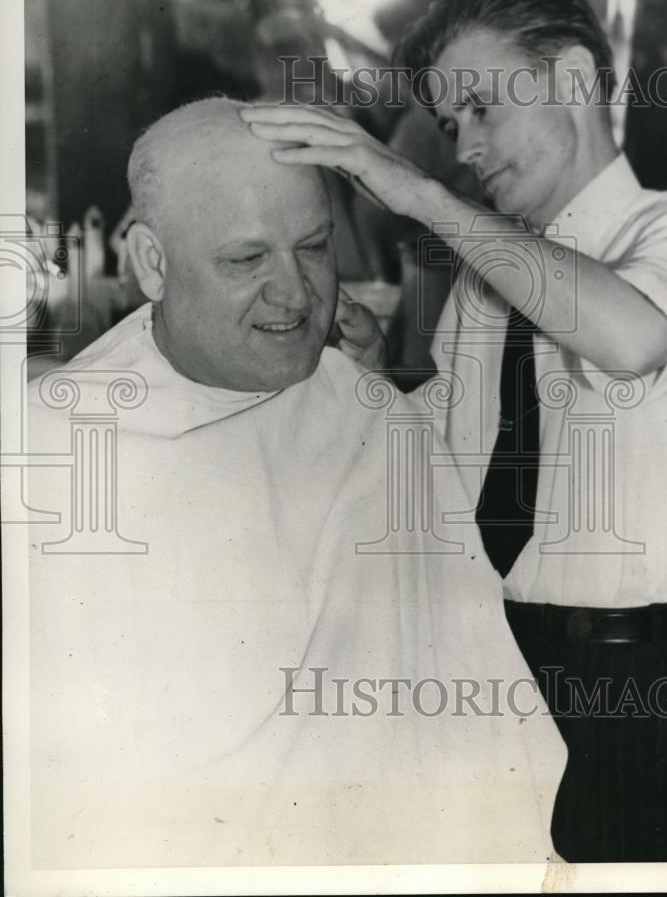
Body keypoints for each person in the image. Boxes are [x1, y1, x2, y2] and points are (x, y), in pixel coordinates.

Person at [240, 0, 667, 862]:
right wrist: (365, 373)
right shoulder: (487, 282)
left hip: (629, 703)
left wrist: (416, 191)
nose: (463, 146)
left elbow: (633, 340)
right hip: (490, 674)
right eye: (446, 124)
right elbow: (453, 457)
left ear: (576, 79)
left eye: (481, 106)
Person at [26, 97, 564, 869]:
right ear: (151, 262)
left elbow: (485, 745)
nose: (296, 294)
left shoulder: (377, 424)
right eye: (246, 260)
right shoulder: (54, 452)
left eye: (313, 248)